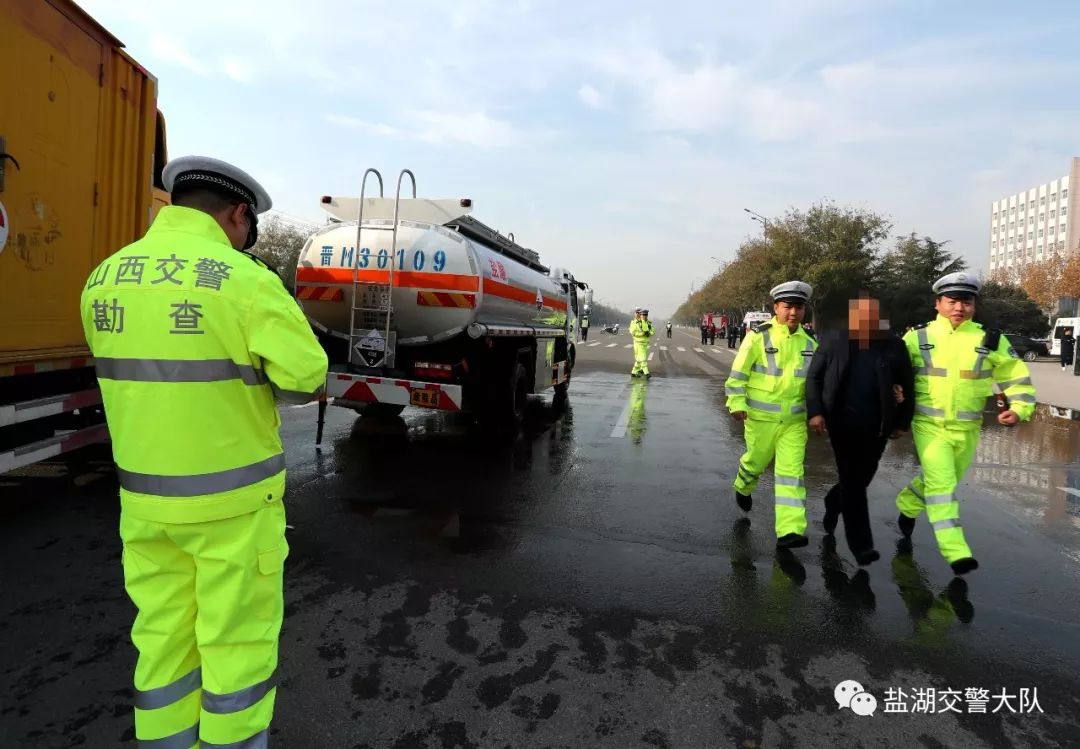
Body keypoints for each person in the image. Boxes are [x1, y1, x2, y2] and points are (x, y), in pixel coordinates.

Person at [81, 156, 329, 747]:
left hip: (144, 505)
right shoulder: (243, 281)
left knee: (163, 640)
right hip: (232, 510)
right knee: (235, 649)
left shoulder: (103, 278)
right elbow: (305, 377)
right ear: (238, 214)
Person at [895, 273, 1036, 575]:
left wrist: (1020, 409)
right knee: (943, 486)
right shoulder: (917, 337)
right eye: (952, 300)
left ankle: (907, 504)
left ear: (974, 305)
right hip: (928, 426)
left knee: (941, 481)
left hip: (968, 429)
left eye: (966, 301)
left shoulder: (991, 339)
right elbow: (893, 370)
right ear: (938, 304)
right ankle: (955, 551)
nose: (959, 307)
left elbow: (1015, 375)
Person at [805, 292, 915, 566]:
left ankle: (833, 500)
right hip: (842, 423)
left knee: (861, 479)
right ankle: (861, 544)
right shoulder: (834, 341)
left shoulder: (893, 346)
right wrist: (816, 411)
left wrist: (902, 421)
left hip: (877, 426)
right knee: (854, 483)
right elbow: (814, 377)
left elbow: (907, 385)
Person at [724, 282, 817, 549]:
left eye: (799, 307)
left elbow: (816, 384)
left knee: (792, 473)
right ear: (775, 307)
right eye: (787, 307)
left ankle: (790, 530)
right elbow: (738, 374)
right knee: (756, 462)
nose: (793, 313)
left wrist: (818, 413)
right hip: (760, 419)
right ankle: (743, 484)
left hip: (794, 423)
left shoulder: (810, 342)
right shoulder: (758, 337)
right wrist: (736, 402)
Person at [630, 308, 655, 377]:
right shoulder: (636, 323)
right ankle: (646, 372)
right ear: (640, 315)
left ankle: (634, 371)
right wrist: (642, 334)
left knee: (639, 358)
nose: (645, 316)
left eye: (646, 315)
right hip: (638, 343)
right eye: (643, 315)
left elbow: (653, 330)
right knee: (643, 357)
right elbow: (633, 332)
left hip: (646, 343)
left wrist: (649, 333)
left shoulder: (649, 323)